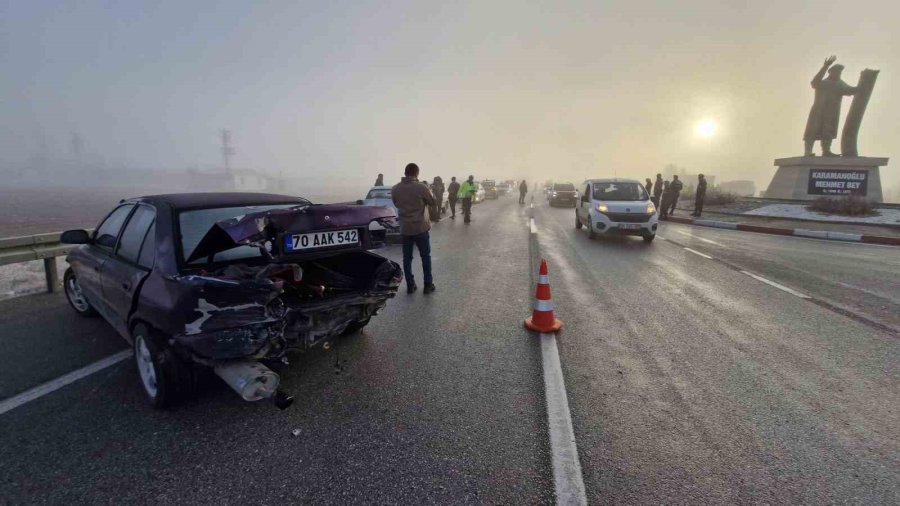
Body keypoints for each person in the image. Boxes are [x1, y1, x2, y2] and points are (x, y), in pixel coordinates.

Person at [391, 163, 436, 294]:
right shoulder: (421, 187)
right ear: (417, 173)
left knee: (407, 258)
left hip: (405, 228)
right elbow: (432, 202)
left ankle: (410, 285)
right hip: (421, 227)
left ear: (405, 173)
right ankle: (428, 285)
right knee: (425, 256)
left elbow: (396, 203)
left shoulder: (395, 189)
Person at [804, 56, 857, 157]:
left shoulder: (840, 84)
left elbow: (850, 90)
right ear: (830, 72)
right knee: (812, 130)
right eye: (836, 72)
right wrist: (825, 66)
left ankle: (826, 150)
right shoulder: (823, 83)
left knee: (828, 131)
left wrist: (862, 85)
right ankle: (808, 152)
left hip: (832, 112)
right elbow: (814, 82)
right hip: (818, 111)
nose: (838, 74)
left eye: (839, 72)